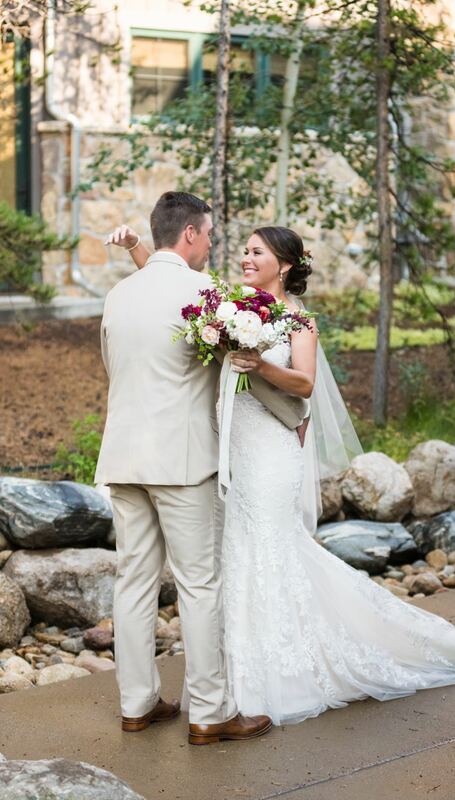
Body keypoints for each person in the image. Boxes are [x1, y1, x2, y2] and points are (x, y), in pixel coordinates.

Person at [107, 220, 455, 727]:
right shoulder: (229, 308)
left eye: (256, 252)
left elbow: (305, 384)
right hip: (229, 453)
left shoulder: (298, 321)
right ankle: (230, 681)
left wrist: (259, 363)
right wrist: (139, 248)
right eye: (244, 250)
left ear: (284, 265)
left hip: (270, 453)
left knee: (266, 551)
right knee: (233, 559)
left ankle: (274, 676)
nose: (245, 258)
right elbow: (171, 289)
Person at [97, 192, 305, 745]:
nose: (213, 244)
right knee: (199, 585)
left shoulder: (118, 294)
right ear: (189, 234)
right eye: (210, 235)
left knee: (135, 582)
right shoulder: (206, 294)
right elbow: (238, 361)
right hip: (183, 461)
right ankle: (210, 713)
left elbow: (111, 366)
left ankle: (137, 705)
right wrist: (294, 413)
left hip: (122, 456)